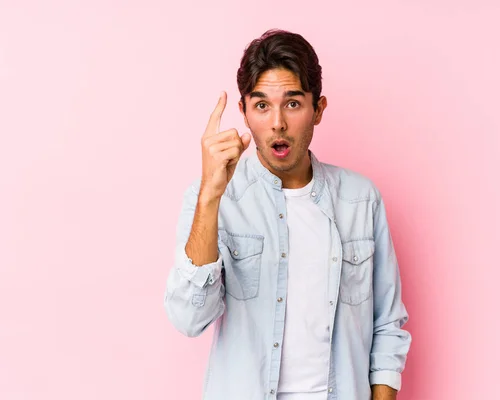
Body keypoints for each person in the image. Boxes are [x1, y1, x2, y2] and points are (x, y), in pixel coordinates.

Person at [164, 29, 411, 400]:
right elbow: (188, 319)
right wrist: (211, 196)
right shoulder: (212, 200)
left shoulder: (361, 201)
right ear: (244, 112)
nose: (277, 122)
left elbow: (387, 326)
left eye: (292, 103)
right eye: (262, 105)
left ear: (318, 109)